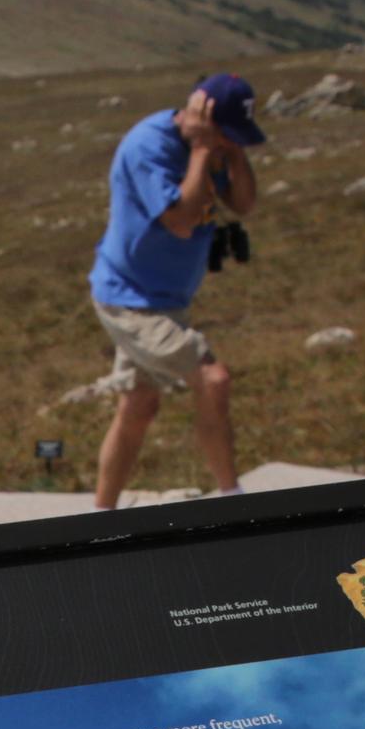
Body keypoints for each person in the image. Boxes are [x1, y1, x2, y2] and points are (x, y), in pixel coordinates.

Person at [87, 76, 261, 507]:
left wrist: (232, 151)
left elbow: (242, 203)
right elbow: (181, 220)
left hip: (165, 301)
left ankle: (99, 517)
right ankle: (233, 499)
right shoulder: (150, 147)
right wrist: (203, 150)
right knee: (213, 379)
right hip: (130, 300)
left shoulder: (219, 147)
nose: (224, 145)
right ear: (198, 116)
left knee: (139, 406)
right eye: (223, 134)